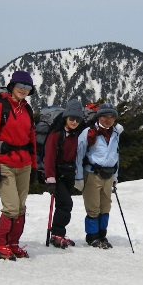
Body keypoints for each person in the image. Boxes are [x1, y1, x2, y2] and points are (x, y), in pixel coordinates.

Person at [0, 70, 38, 260]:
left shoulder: (28, 110)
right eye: (20, 86)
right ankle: (1, 245)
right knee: (12, 207)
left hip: (24, 164)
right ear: (12, 86)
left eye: (28, 87)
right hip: (4, 163)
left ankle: (13, 243)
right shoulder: (1, 107)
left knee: (21, 207)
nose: (23, 90)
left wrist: (34, 166)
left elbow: (31, 139)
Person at [75, 103, 123, 249]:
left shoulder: (115, 133)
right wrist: (78, 177)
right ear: (98, 117)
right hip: (92, 174)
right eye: (104, 116)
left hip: (108, 176)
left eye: (111, 117)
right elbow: (79, 154)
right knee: (93, 208)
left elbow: (116, 155)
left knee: (105, 207)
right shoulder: (89, 133)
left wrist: (115, 174)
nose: (108, 120)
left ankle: (102, 235)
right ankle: (92, 237)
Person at [44, 99, 84, 249]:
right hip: (57, 175)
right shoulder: (56, 134)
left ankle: (57, 234)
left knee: (62, 204)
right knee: (67, 203)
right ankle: (57, 234)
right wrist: (50, 179)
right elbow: (49, 157)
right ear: (66, 118)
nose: (74, 122)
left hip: (68, 175)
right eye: (72, 118)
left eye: (78, 119)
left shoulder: (75, 135)